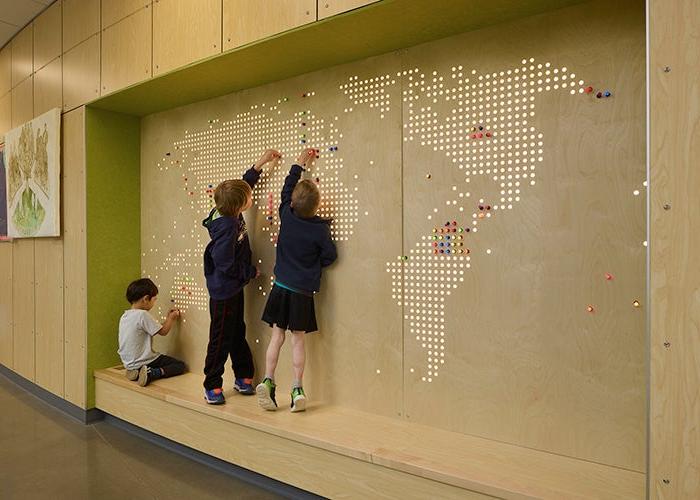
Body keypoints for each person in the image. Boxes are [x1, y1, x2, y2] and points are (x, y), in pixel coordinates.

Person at [257, 147, 337, 413]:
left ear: (292, 202)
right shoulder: (320, 230)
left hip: (280, 288)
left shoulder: (286, 215)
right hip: (302, 293)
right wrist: (313, 263)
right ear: (317, 206)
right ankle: (297, 388)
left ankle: (268, 382)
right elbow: (330, 257)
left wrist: (299, 164)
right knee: (297, 340)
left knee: (276, 336)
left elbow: (286, 188)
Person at [202, 149, 280, 404]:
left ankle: (243, 375)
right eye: (248, 198)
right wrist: (249, 272)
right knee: (220, 337)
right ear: (239, 205)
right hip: (224, 290)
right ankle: (212, 384)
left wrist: (261, 164)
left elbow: (243, 184)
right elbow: (223, 262)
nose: (251, 198)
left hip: (232, 288)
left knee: (237, 331)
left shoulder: (228, 208)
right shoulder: (226, 225)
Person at [118, 278, 185, 387]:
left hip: (129, 362)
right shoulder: (142, 315)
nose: (154, 303)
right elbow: (163, 332)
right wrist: (171, 319)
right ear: (145, 299)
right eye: (154, 300)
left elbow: (156, 327)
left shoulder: (126, 316)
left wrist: (167, 318)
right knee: (179, 365)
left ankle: (136, 371)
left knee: (154, 361)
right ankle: (152, 373)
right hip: (143, 360)